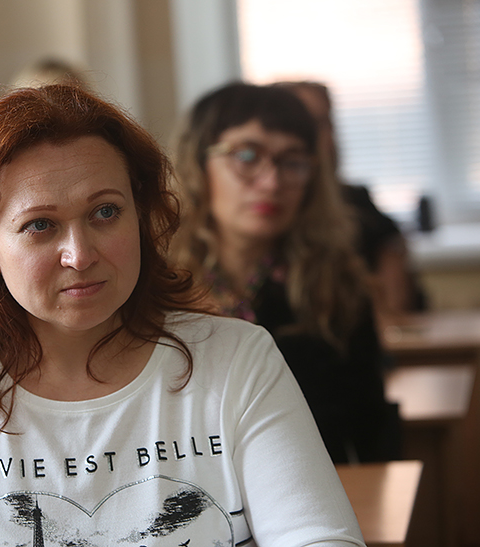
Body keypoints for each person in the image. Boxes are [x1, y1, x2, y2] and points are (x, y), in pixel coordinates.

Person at [0, 84, 366, 546]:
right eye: (40, 225)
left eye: (105, 212)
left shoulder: (236, 360)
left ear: (142, 218)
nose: (80, 254)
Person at [169, 82, 401, 464]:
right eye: (247, 156)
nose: (272, 182)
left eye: (292, 162)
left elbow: (370, 429)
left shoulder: (337, 286)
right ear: (198, 164)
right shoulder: (155, 286)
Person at [275, 80, 426, 315]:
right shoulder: (268, 209)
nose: (324, 137)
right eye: (308, 124)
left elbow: (396, 302)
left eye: (326, 123)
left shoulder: (356, 201)